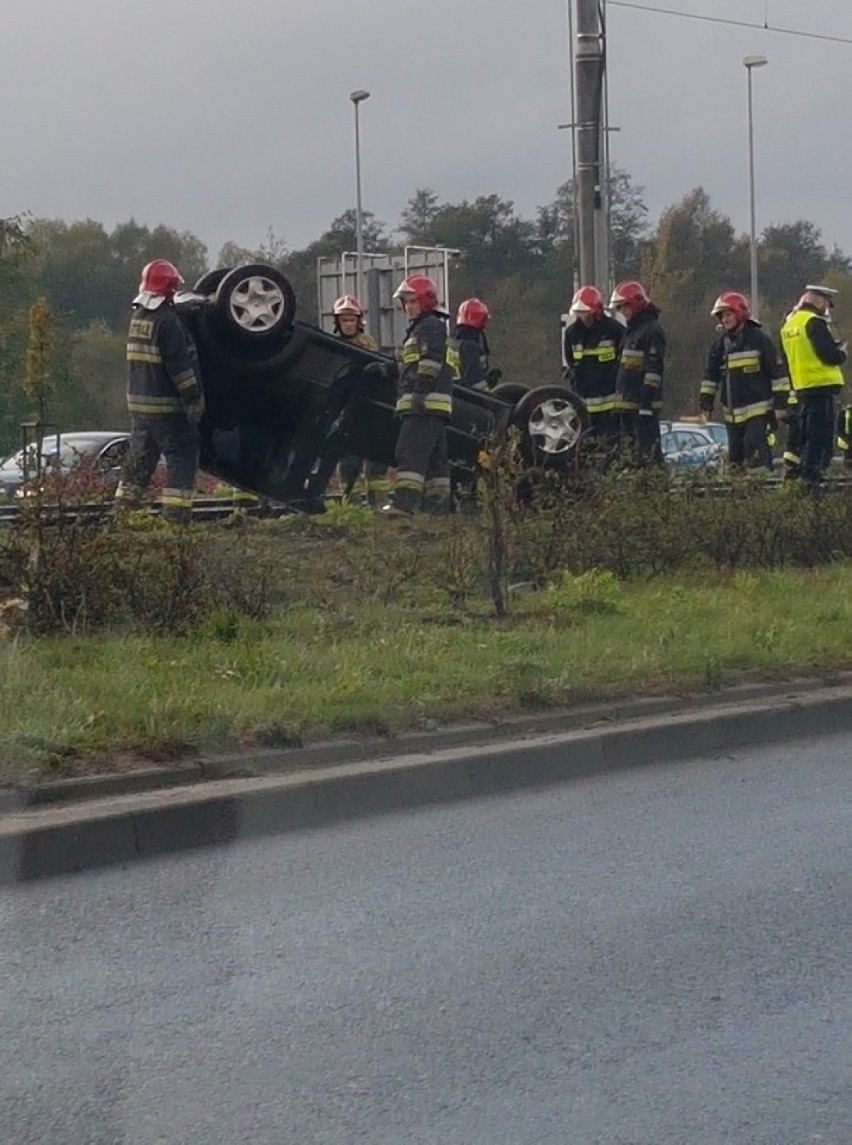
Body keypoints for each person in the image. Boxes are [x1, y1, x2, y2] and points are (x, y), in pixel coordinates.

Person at [116, 258, 204, 524]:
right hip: (167, 409)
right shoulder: (169, 323)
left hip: (140, 410)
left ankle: (123, 515)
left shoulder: (139, 317)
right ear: (169, 288)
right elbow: (180, 367)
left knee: (140, 460)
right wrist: (193, 397)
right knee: (182, 454)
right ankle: (175, 520)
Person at [383, 275, 453, 515]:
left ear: (425, 301)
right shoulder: (422, 328)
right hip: (432, 405)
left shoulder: (429, 326)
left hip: (423, 403)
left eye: (413, 301)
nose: (408, 307)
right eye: (406, 303)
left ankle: (404, 504)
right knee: (435, 462)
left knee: (410, 452)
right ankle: (437, 509)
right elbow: (410, 364)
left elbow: (429, 363)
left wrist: (419, 393)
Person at [699, 291, 789, 469]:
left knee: (754, 447)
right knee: (735, 458)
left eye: (728, 314)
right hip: (732, 414)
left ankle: (764, 485)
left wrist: (780, 405)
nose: (725, 320)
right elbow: (710, 377)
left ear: (739, 313)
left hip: (758, 411)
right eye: (722, 316)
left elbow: (778, 375)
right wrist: (706, 404)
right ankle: (740, 493)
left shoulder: (759, 340)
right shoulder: (720, 346)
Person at [779, 285, 847, 489]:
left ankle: (799, 477)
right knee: (820, 437)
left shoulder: (789, 325)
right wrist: (842, 353)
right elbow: (828, 355)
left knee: (806, 435)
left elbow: (787, 360)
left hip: (802, 388)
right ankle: (811, 480)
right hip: (821, 387)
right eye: (826, 304)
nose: (827, 310)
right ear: (819, 302)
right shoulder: (814, 322)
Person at [331, 294, 389, 506]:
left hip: (370, 410)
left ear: (359, 321)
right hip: (345, 411)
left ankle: (378, 508)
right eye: (344, 320)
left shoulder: (368, 345)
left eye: (351, 320)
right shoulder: (332, 346)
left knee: (376, 465)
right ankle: (351, 507)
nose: (348, 324)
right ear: (337, 322)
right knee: (348, 463)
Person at [609, 280, 666, 466]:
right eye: (620, 308)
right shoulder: (630, 333)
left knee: (649, 453)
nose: (623, 312)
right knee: (632, 455)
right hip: (627, 406)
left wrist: (646, 404)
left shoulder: (651, 331)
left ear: (635, 303)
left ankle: (654, 489)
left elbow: (653, 371)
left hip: (643, 406)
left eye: (625, 306)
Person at [563, 284, 624, 454]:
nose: (583, 318)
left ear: (596, 311)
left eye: (586, 313)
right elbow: (570, 361)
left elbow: (624, 359)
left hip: (610, 405)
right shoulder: (571, 333)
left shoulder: (614, 330)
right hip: (583, 404)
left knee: (612, 447)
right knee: (586, 449)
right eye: (580, 314)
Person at [449, 298, 499, 391]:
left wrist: (487, 379)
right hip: (469, 400)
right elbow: (475, 381)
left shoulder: (450, 342)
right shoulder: (470, 347)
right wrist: (489, 399)